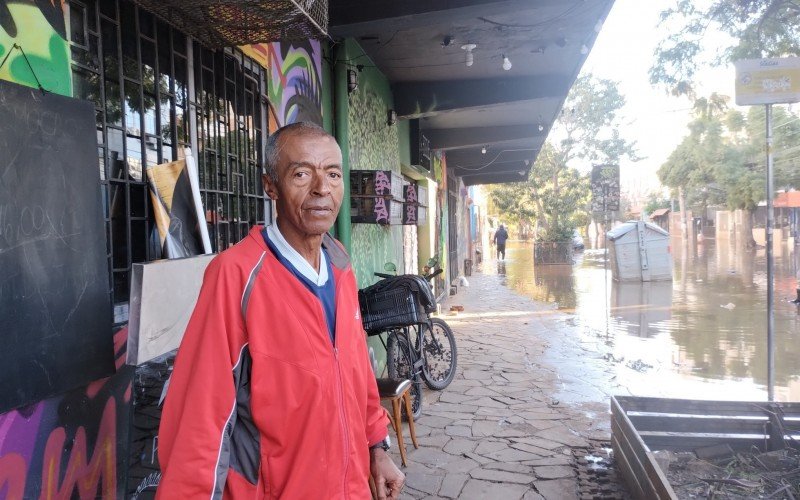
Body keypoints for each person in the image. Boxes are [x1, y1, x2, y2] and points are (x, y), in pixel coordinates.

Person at [157, 122, 404, 499]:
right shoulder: (236, 276)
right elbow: (200, 419)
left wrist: (376, 446)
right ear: (270, 185)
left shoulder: (339, 266)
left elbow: (356, 374)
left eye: (333, 174)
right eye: (302, 173)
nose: (322, 188)